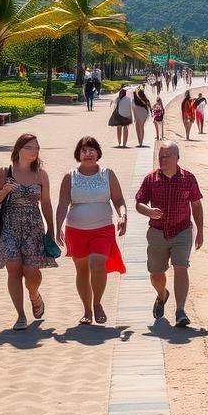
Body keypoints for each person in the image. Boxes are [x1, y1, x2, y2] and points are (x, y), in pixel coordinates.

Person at [0, 133, 57, 330]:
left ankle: (34, 296)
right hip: (8, 227)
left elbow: (46, 203)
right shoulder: (5, 172)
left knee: (32, 274)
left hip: (33, 227)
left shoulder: (41, 174)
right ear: (18, 149)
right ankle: (20, 315)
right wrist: (4, 191)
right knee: (13, 270)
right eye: (29, 147)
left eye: (36, 147)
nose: (34, 151)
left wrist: (51, 229)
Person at [55, 136, 127, 325]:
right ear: (78, 154)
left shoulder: (107, 174)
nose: (88, 154)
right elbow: (63, 204)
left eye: (91, 150)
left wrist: (123, 215)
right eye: (84, 150)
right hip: (76, 230)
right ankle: (87, 310)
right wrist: (57, 227)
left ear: (98, 153)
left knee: (97, 264)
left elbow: (118, 200)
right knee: (81, 271)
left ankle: (97, 303)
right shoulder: (70, 176)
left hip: (103, 228)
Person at [135, 140, 204, 327]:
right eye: (160, 156)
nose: (162, 159)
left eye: (166, 156)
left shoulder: (188, 178)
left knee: (181, 266)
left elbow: (196, 205)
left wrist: (200, 231)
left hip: (182, 230)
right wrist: (148, 211)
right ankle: (162, 294)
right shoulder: (151, 179)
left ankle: (180, 311)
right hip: (157, 232)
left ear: (177, 158)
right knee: (156, 273)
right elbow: (139, 203)